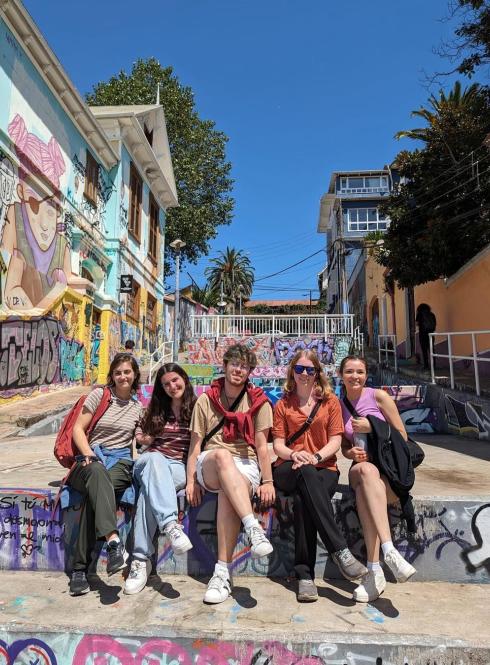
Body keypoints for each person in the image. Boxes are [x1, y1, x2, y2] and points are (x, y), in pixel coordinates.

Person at [272, 350, 367, 602]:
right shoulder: (283, 403)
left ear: (317, 373)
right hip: (287, 468)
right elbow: (278, 445)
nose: (304, 374)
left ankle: (304, 577)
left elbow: (336, 440)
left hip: (324, 468)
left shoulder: (330, 402)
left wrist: (314, 457)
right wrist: (296, 455)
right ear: (292, 371)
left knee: (305, 500)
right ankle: (341, 551)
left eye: (309, 370)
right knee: (303, 471)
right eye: (300, 369)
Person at [186, 344, 275, 604]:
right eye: (234, 364)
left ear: (250, 372)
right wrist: (191, 480)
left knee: (229, 490)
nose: (239, 369)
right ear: (224, 366)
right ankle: (252, 527)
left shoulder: (259, 402)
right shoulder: (205, 400)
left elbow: (261, 446)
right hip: (211, 462)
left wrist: (267, 481)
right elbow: (195, 447)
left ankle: (222, 573)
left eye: (245, 366)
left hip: (245, 464)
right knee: (224, 458)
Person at [339, 355, 416, 603]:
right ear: (341, 375)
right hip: (360, 467)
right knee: (364, 471)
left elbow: (402, 437)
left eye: (360, 371)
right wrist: (350, 452)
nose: (355, 376)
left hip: (388, 475)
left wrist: (374, 428)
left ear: (366, 374)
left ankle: (374, 571)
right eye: (349, 371)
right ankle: (389, 550)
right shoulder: (338, 405)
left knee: (366, 491)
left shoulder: (378, 397)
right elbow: (342, 446)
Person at [67, 353, 143, 596]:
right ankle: (113, 541)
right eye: (118, 372)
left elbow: (140, 440)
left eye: (127, 372)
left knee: (97, 493)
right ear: (112, 375)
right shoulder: (100, 395)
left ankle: (79, 570)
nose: (123, 376)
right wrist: (89, 454)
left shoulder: (138, 407)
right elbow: (78, 429)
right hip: (91, 456)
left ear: (134, 376)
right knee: (97, 476)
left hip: (120, 461)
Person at [124, 363, 196, 595]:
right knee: (154, 459)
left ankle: (139, 560)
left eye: (175, 380)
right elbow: (141, 440)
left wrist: (195, 479)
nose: (172, 386)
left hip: (177, 468)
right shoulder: (155, 409)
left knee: (147, 494)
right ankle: (170, 525)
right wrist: (147, 434)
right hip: (148, 463)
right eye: (166, 384)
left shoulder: (197, 407)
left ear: (184, 378)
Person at [415, 304, 436, 370]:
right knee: (431, 350)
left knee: (424, 350)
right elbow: (434, 324)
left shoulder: (419, 314)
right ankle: (433, 365)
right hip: (431, 334)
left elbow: (417, 324)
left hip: (422, 334)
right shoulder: (432, 314)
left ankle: (426, 365)